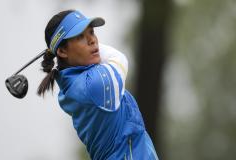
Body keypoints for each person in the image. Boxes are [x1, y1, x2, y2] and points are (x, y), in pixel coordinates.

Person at [37, 9, 159, 160]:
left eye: (91, 32)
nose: (92, 40)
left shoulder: (75, 83)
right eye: (80, 36)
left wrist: (58, 48)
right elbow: (119, 59)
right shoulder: (93, 85)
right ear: (62, 51)